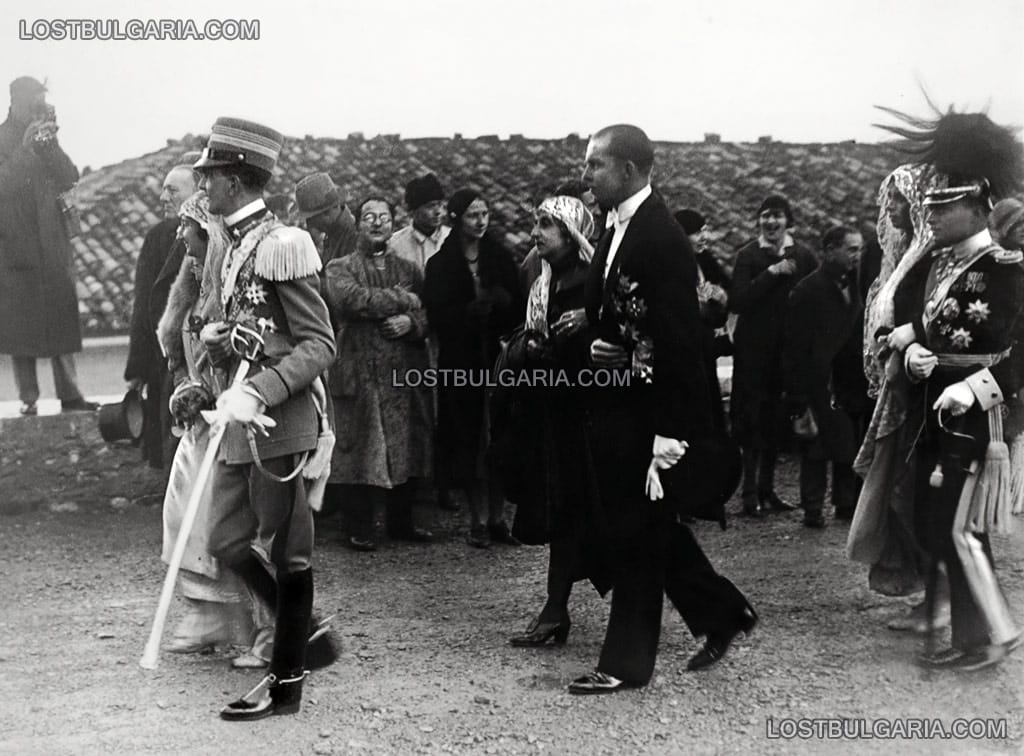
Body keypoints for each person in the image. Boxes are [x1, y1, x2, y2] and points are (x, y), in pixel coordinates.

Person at [567, 124, 755, 694]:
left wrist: (666, 435)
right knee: (646, 531)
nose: (586, 174)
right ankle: (723, 611)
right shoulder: (616, 227)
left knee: (637, 536)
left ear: (627, 170)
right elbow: (626, 319)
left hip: (651, 414)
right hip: (621, 405)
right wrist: (602, 338)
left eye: (595, 164)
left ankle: (625, 664)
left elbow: (679, 339)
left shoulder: (661, 237)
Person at [191, 117, 337, 720]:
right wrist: (218, 343)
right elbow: (254, 329)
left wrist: (262, 389)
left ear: (235, 178)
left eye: (210, 177)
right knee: (225, 539)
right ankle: (307, 635)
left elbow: (318, 342)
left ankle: (286, 684)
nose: (204, 187)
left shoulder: (284, 243)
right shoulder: (229, 242)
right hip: (236, 418)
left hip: (278, 421)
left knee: (288, 552)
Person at [877, 108, 1023, 671]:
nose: (931, 215)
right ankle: (972, 632)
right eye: (931, 205)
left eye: (944, 206)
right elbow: (922, 318)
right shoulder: (938, 264)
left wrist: (979, 389)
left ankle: (990, 634)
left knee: (959, 529)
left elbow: (1017, 354)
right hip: (932, 408)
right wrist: (909, 344)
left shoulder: (1009, 269)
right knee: (938, 522)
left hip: (975, 416)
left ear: (978, 204)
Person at [155, 191, 273, 668]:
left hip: (243, 420)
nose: (181, 235)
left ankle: (270, 627)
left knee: (246, 529)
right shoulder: (194, 280)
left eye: (188, 227)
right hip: (204, 423)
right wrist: (188, 387)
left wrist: (213, 388)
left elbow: (254, 352)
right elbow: (187, 354)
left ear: (208, 232)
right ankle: (210, 614)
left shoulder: (236, 284)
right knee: (184, 514)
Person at [499, 195, 597, 646]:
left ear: (572, 234)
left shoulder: (591, 284)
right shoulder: (542, 281)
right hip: (552, 417)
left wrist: (575, 339)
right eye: (534, 223)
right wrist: (530, 349)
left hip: (590, 418)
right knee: (564, 514)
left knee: (601, 518)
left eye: (546, 225)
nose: (535, 233)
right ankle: (555, 609)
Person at [848, 164, 943, 628]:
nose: (890, 209)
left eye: (900, 199)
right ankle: (930, 593)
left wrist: (904, 345)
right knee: (901, 490)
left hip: (923, 392)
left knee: (913, 491)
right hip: (898, 387)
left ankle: (941, 599)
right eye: (888, 200)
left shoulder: (929, 260)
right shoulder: (898, 257)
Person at [324, 197, 434, 551]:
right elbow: (353, 301)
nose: (377, 224)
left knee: (406, 445)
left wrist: (411, 322)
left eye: (384, 218)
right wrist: (403, 299)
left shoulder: (409, 269)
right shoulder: (340, 267)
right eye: (369, 217)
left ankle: (402, 522)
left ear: (392, 223)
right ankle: (358, 526)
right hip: (359, 368)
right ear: (357, 224)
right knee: (358, 446)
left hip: (401, 371)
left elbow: (430, 313)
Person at [424, 188, 523, 548]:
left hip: (498, 361)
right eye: (472, 215)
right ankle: (477, 520)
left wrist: (500, 304)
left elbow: (518, 306)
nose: (481, 221)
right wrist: (467, 314)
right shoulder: (441, 263)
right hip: (462, 363)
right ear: (455, 218)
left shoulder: (500, 257)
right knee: (469, 439)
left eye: (484, 214)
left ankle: (498, 518)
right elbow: (436, 313)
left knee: (499, 437)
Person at [0, 76, 95, 415]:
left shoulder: (45, 138)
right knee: (19, 329)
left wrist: (50, 144)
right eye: (34, 103)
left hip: (51, 246)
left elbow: (69, 175)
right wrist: (25, 150)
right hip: (13, 248)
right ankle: (28, 398)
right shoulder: (2, 138)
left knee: (61, 319)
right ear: (16, 102)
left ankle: (70, 395)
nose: (37, 110)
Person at [729, 194, 817, 517]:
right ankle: (749, 494)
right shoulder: (748, 256)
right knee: (751, 421)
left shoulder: (803, 256)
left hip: (787, 353)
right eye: (765, 216)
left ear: (788, 221)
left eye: (777, 216)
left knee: (775, 421)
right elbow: (738, 300)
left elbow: (815, 293)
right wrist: (772, 273)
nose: (771, 222)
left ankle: (769, 490)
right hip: (754, 353)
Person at [783, 226, 867, 527]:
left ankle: (845, 503)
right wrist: (797, 395)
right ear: (831, 250)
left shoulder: (857, 285)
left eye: (859, 249)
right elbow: (794, 346)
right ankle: (813, 507)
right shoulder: (807, 290)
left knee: (847, 442)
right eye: (851, 249)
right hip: (817, 380)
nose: (857, 255)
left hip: (848, 380)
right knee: (815, 447)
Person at [124, 163, 196, 469]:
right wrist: (136, 368)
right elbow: (142, 306)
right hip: (160, 361)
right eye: (163, 188)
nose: (163, 197)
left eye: (173, 189)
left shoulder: (212, 238)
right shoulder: (157, 237)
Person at [675, 208, 729, 429]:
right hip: (684, 351)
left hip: (706, 348)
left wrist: (722, 297)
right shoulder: (672, 266)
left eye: (704, 231)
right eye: (696, 233)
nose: (703, 237)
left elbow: (726, 292)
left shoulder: (704, 260)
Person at [294, 172, 358, 272]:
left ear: (326, 214)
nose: (308, 224)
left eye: (310, 218)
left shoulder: (354, 239)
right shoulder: (334, 234)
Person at [388, 172, 450, 272]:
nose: (438, 212)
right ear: (414, 211)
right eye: (430, 206)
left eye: (439, 204)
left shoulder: (455, 239)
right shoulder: (394, 245)